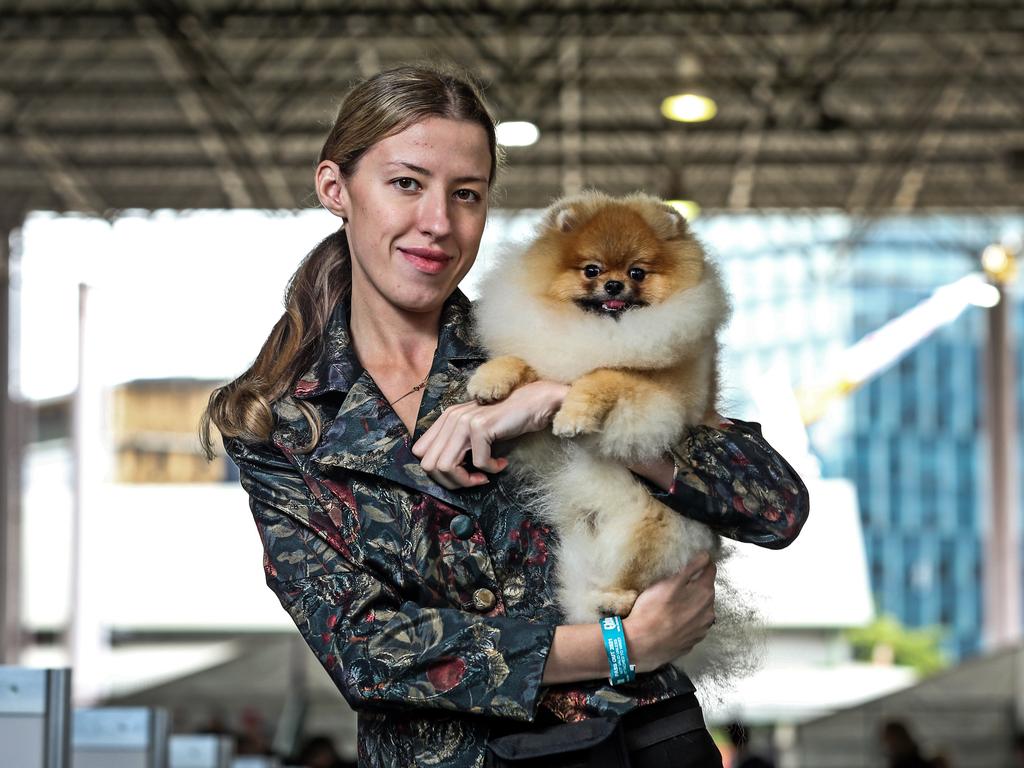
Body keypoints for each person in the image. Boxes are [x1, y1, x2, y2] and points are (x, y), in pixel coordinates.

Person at [201, 63, 809, 768]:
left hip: (636, 746)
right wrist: (621, 647)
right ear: (335, 188)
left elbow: (774, 505)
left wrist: (564, 402)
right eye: (407, 183)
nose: (438, 222)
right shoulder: (279, 422)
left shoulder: (550, 335)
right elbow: (367, 652)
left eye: (468, 195)